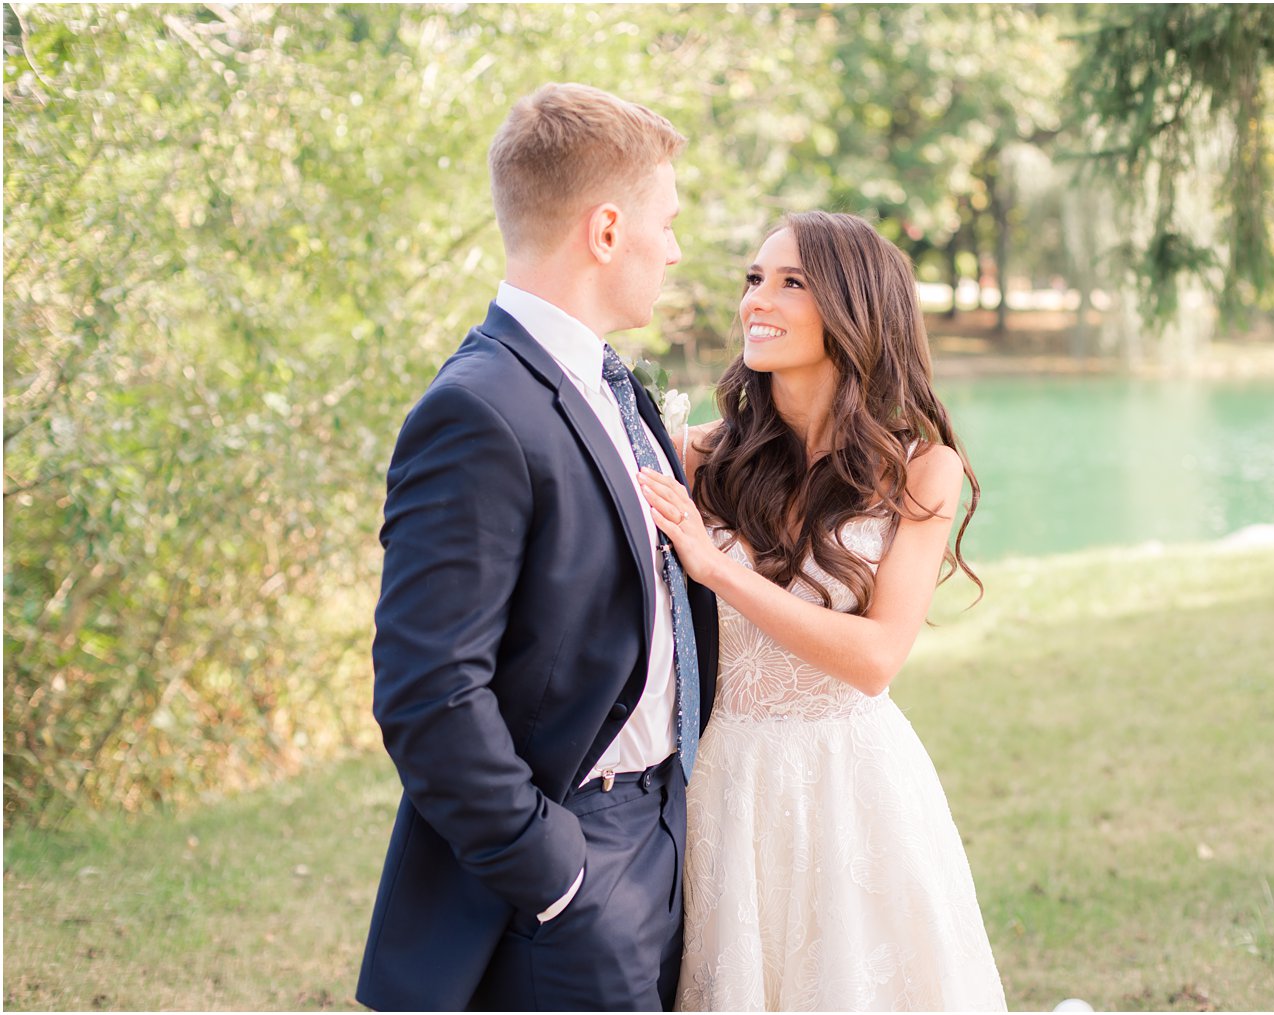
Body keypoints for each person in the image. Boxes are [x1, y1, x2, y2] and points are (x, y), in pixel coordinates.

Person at [355, 83, 719, 1012]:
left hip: (661, 831)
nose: (674, 248)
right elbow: (427, 688)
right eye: (665, 222)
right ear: (605, 231)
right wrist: (554, 870)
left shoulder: (605, 381)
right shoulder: (477, 408)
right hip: (569, 867)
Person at [637, 211, 1008, 1011]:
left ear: (854, 308)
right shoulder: (698, 456)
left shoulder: (921, 470)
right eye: (754, 278)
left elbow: (875, 660)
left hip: (856, 785)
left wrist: (714, 567)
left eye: (791, 282)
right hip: (724, 781)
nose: (756, 300)